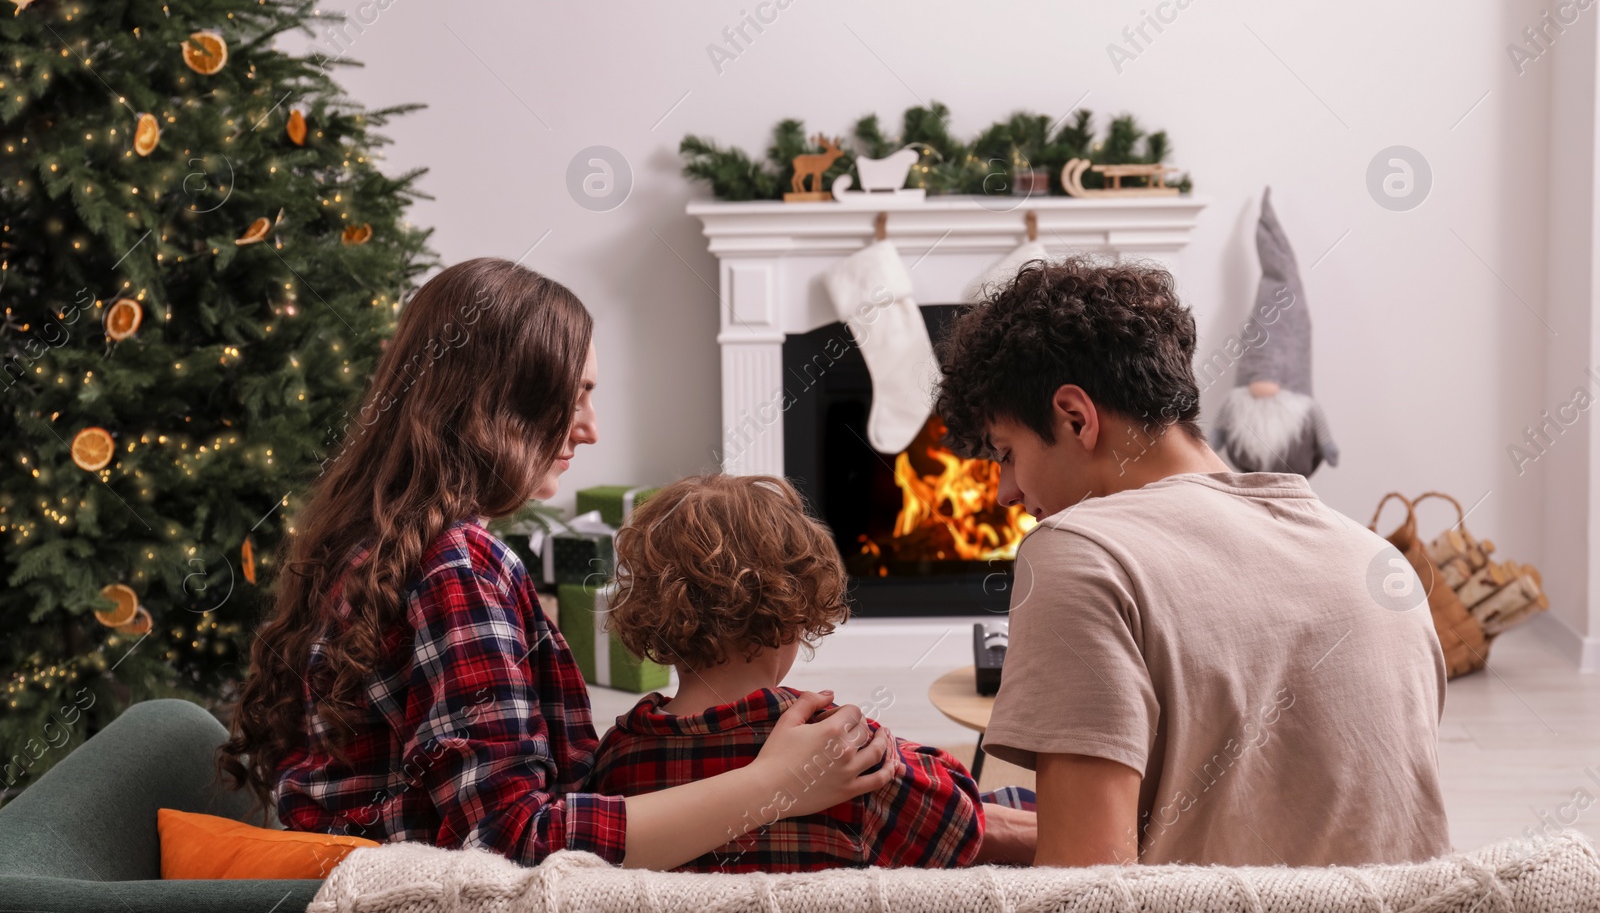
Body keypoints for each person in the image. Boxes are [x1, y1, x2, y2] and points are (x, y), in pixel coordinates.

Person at [218, 258, 896, 870]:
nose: (591, 427)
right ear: (497, 400)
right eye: (575, 396)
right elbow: (513, 840)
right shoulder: (457, 563)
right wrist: (770, 786)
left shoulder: (384, 541)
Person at [933, 256, 1450, 868]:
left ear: (1076, 417)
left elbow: (1080, 890)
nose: (1006, 492)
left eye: (1008, 453)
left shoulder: (1080, 555)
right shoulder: (1379, 562)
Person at [590, 473, 1038, 871]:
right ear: (790, 610)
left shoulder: (617, 757)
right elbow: (959, 820)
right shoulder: (832, 745)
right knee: (1018, 802)